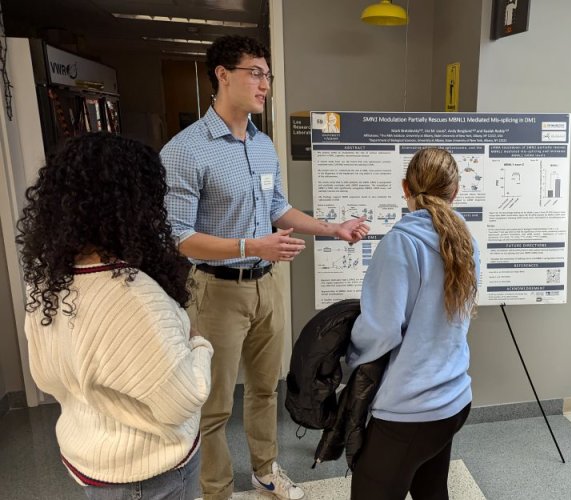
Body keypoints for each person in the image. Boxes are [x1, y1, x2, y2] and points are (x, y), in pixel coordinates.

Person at [160, 35, 369, 500]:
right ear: (222, 74)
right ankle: (215, 490)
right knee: (213, 405)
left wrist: (331, 229)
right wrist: (249, 244)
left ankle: (265, 471)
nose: (265, 84)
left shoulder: (262, 144)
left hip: (267, 284)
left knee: (264, 390)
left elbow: (279, 208)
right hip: (215, 291)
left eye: (268, 75)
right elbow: (177, 237)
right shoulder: (186, 150)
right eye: (256, 72)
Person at [17, 132, 213, 500]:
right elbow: (182, 399)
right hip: (150, 474)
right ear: (136, 204)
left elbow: (45, 376)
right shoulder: (136, 299)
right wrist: (199, 343)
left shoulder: (46, 284)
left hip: (93, 467)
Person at [347, 148, 479, 500]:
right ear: (456, 192)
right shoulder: (467, 242)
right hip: (453, 399)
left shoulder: (400, 243)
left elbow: (381, 331)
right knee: (431, 491)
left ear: (405, 187)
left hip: (409, 410)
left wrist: (347, 354)